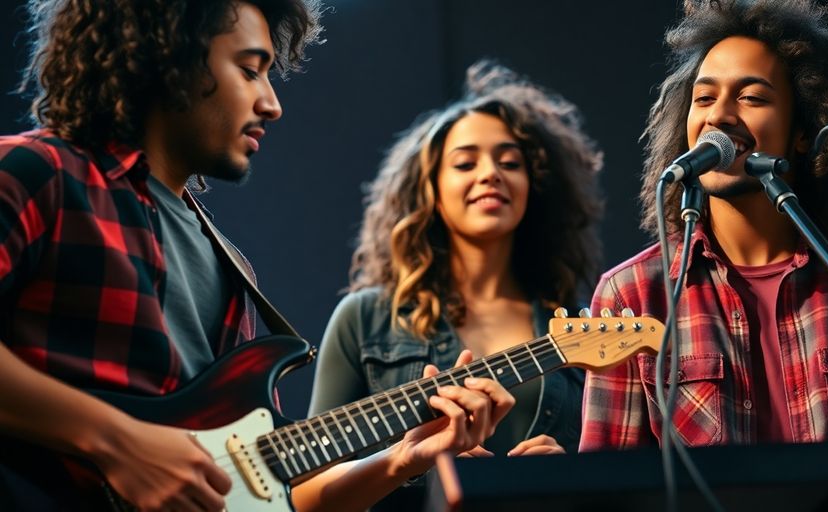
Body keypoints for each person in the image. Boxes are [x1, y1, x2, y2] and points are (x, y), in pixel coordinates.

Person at [0, 2, 513, 511]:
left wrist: (399, 460)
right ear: (167, 57)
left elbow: (265, 493)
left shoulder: (229, 267)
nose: (272, 103)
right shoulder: (37, 173)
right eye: (249, 70)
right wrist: (116, 441)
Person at [579, 0, 828, 451]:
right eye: (704, 97)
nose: (718, 115)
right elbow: (610, 487)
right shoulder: (632, 295)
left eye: (751, 96)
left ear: (804, 130)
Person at [307, 61, 603, 508]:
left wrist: (569, 478)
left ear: (534, 187)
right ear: (431, 190)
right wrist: (402, 460)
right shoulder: (364, 318)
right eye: (465, 163)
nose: (490, 173)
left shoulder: (582, 328)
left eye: (510, 162)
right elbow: (304, 494)